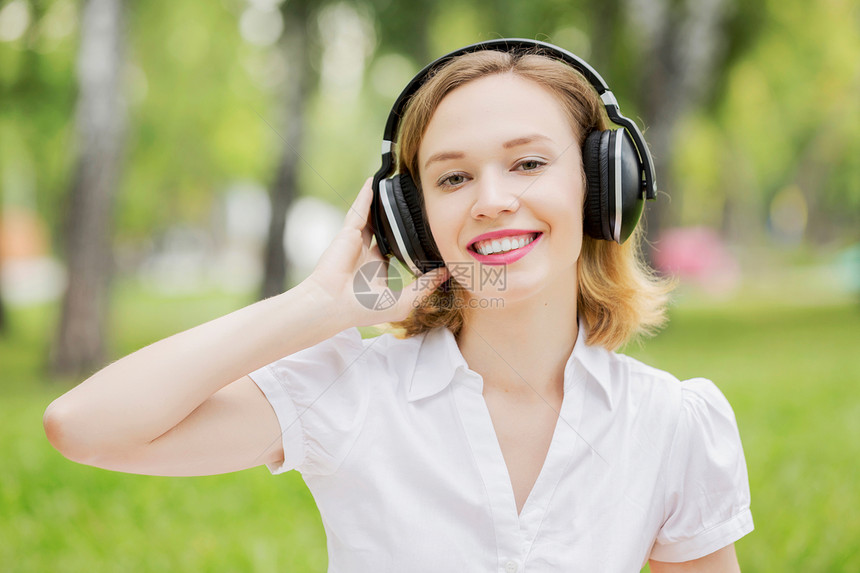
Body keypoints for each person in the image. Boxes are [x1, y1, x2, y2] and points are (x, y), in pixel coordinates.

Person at [44, 39, 753, 572]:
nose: (493, 199)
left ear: (603, 186)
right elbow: (85, 426)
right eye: (452, 177)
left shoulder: (670, 423)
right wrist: (319, 304)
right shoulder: (349, 391)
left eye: (530, 163)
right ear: (410, 218)